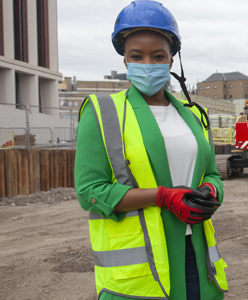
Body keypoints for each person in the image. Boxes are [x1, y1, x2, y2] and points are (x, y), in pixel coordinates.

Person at [74, 1, 228, 299]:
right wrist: (164, 196)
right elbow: (90, 192)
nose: (147, 63)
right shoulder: (102, 112)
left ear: (172, 60)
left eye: (157, 56)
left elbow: (212, 173)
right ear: (125, 61)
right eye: (137, 56)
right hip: (141, 266)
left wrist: (211, 191)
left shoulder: (194, 115)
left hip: (194, 252)